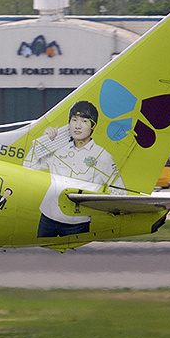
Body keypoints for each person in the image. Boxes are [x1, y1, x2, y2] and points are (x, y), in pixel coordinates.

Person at [24, 100, 123, 238]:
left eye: (84, 121)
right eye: (74, 120)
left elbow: (119, 191)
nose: (77, 126)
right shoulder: (57, 148)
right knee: (40, 257)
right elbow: (28, 166)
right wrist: (43, 141)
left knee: (74, 259)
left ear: (93, 126)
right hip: (47, 219)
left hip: (77, 224)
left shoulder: (102, 157)